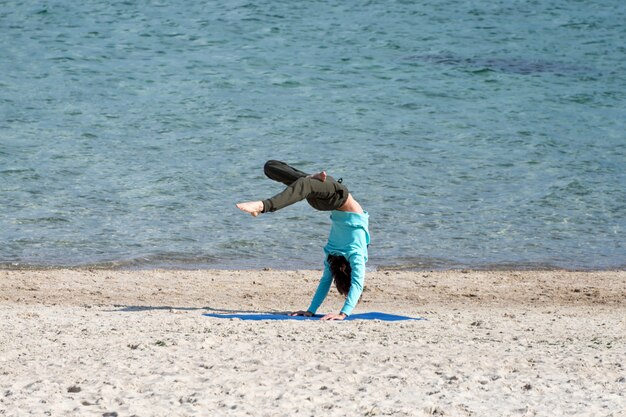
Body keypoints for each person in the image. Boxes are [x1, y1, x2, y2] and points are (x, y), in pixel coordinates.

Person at [236, 160, 370, 321]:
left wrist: (311, 310)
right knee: (271, 168)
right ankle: (311, 179)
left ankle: (263, 206)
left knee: (305, 184)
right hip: (334, 195)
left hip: (331, 198)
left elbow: (325, 282)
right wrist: (343, 313)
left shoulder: (333, 255)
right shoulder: (355, 255)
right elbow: (357, 284)